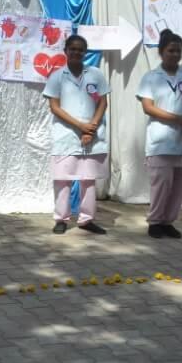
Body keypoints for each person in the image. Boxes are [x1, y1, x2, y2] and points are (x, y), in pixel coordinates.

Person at [136, 29, 182, 238]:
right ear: (161, 52)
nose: (175, 54)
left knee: (179, 185)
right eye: (171, 50)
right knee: (161, 184)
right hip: (161, 140)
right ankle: (155, 221)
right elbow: (148, 107)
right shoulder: (151, 77)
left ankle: (168, 221)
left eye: (178, 51)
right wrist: (179, 119)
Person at [42, 34, 110, 235]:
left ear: (85, 52)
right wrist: (81, 126)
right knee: (62, 179)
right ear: (65, 51)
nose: (76, 52)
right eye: (72, 48)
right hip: (66, 134)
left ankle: (86, 219)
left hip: (92, 134)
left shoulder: (96, 74)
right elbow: (54, 107)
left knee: (88, 179)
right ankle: (61, 219)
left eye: (80, 49)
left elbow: (102, 102)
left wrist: (92, 126)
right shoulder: (57, 76)